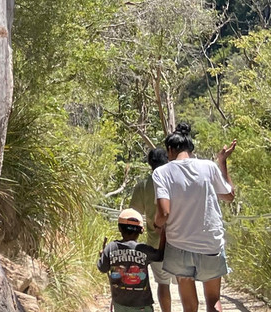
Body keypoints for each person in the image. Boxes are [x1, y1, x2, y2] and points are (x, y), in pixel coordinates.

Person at [153, 122, 237, 312]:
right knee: (213, 300)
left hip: (179, 246)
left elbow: (164, 213)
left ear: (170, 150)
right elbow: (229, 196)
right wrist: (222, 162)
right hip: (210, 245)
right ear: (190, 149)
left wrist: (156, 225)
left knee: (189, 307)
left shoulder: (162, 173)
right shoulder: (208, 167)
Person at [130, 147, 173, 312]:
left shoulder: (143, 186)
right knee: (186, 282)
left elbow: (134, 214)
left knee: (163, 284)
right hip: (182, 239)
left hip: (155, 244)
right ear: (167, 160)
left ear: (150, 164)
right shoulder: (175, 181)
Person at [98, 208, 166, 312]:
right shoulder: (143, 249)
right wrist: (163, 234)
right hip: (142, 304)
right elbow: (160, 256)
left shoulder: (111, 247)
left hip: (120, 304)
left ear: (119, 228)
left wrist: (102, 256)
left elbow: (103, 268)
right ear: (141, 230)